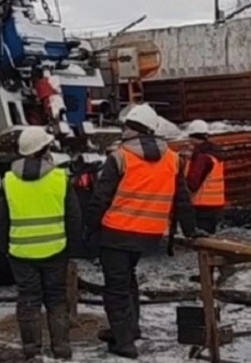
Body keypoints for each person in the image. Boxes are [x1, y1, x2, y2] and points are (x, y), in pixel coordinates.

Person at [84, 103, 197, 360]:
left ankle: (123, 342)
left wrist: (90, 227)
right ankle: (129, 329)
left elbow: (101, 197)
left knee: (115, 288)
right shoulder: (172, 158)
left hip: (116, 232)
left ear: (135, 129)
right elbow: (182, 200)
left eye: (127, 126)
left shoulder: (120, 157)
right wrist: (191, 231)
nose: (123, 130)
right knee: (128, 280)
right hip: (149, 235)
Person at [0, 125, 82, 361]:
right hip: (56, 250)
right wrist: (72, 248)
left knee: (28, 299)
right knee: (56, 298)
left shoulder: (9, 181)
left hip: (21, 252)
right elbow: (73, 216)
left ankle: (32, 351)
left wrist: (5, 248)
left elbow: (0, 219)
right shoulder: (59, 179)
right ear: (44, 150)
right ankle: (62, 350)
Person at [184, 119, 226, 235]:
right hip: (216, 205)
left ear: (193, 138)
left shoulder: (202, 158)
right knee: (209, 238)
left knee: (202, 240)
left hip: (202, 207)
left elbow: (192, 184)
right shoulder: (214, 155)